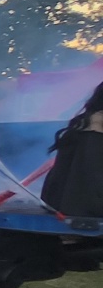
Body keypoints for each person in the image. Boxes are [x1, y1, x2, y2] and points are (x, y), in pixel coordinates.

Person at [41, 81, 103, 218]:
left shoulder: (82, 123)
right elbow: (93, 177)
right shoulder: (95, 132)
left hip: (56, 200)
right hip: (83, 204)